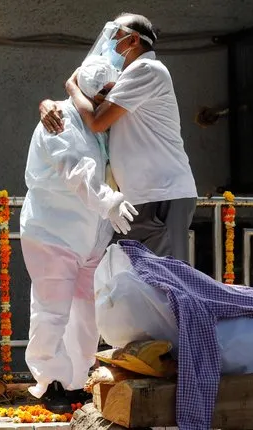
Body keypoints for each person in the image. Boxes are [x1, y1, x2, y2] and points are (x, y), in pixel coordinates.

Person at [20, 55, 138, 413]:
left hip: (90, 234)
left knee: (86, 312)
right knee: (52, 310)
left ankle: (76, 382)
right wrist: (109, 202)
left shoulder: (95, 123)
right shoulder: (59, 122)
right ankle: (50, 382)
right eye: (101, 92)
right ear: (86, 91)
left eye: (110, 92)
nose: (107, 98)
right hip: (53, 230)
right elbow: (77, 173)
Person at [39, 13, 197, 263]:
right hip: (140, 197)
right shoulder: (128, 76)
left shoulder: (146, 69)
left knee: (166, 284)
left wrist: (71, 86)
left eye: (116, 37)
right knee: (132, 284)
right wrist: (48, 104)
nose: (110, 43)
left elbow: (96, 121)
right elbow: (85, 113)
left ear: (133, 40)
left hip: (161, 194)